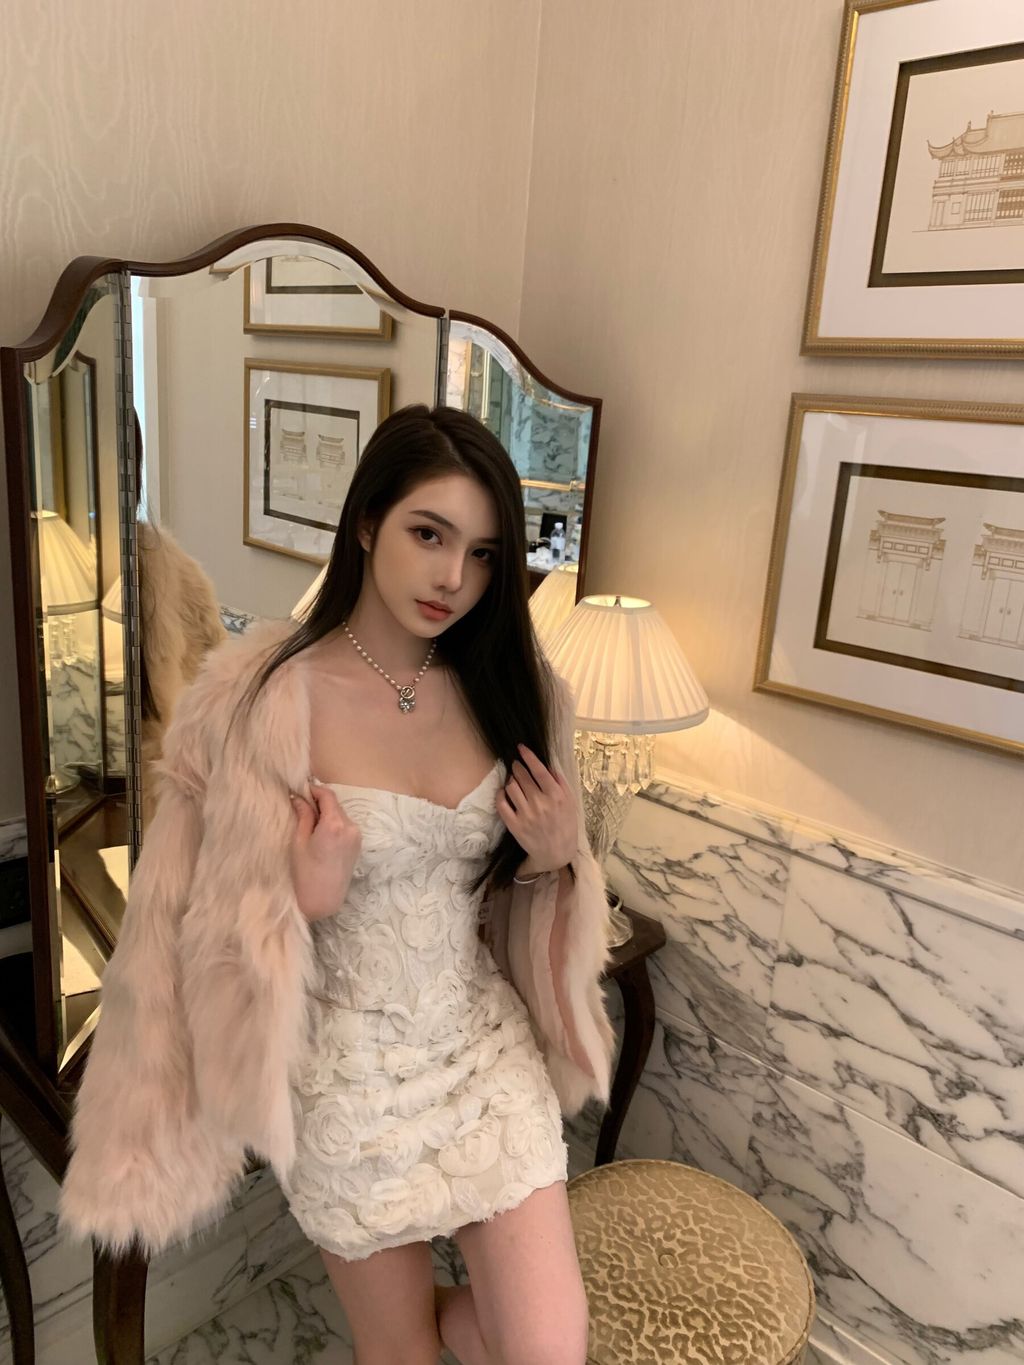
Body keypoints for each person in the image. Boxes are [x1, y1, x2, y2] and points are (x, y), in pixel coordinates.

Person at [58, 404, 615, 1365]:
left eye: (483, 553)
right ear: (366, 524)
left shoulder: (513, 686)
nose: (454, 576)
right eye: (429, 534)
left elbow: (509, 901)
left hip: (480, 1050)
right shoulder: (258, 700)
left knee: (545, 1349)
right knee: (400, 1353)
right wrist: (299, 902)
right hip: (345, 1074)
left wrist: (556, 856)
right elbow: (189, 923)